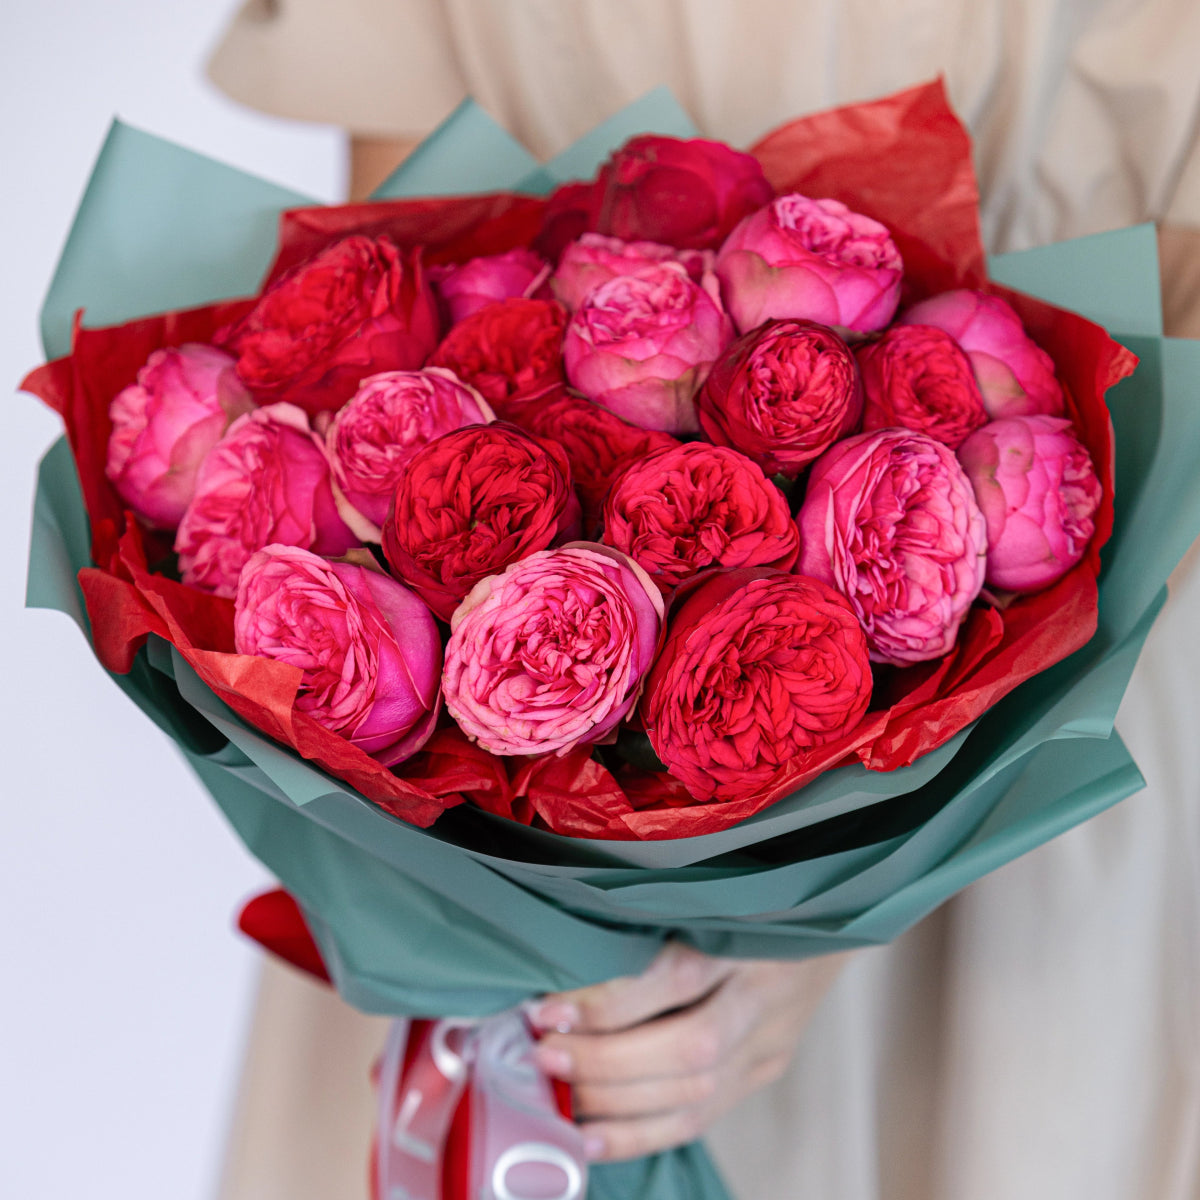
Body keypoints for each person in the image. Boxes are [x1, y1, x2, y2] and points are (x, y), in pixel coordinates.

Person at [208, 4, 1200, 1197]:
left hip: (1035, 744)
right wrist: (530, 901)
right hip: (491, 831)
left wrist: (829, 912)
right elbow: (396, 277)